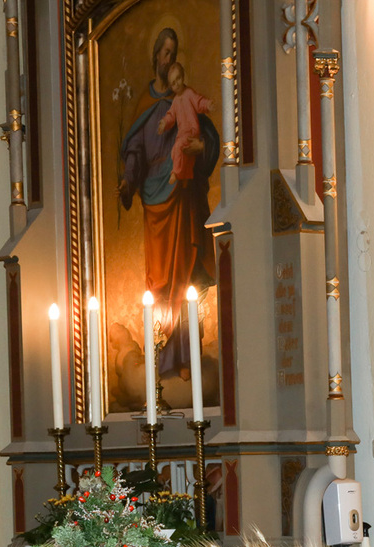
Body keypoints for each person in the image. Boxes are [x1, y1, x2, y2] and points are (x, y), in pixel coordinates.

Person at [119, 27, 218, 385]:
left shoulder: (186, 98)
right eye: (164, 53)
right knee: (160, 282)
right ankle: (162, 358)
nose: (168, 59)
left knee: (186, 276)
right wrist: (128, 181)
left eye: (173, 53)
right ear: (155, 58)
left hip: (182, 196)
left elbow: (208, 137)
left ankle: (187, 356)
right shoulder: (146, 107)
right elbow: (134, 152)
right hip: (155, 203)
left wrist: (201, 148)